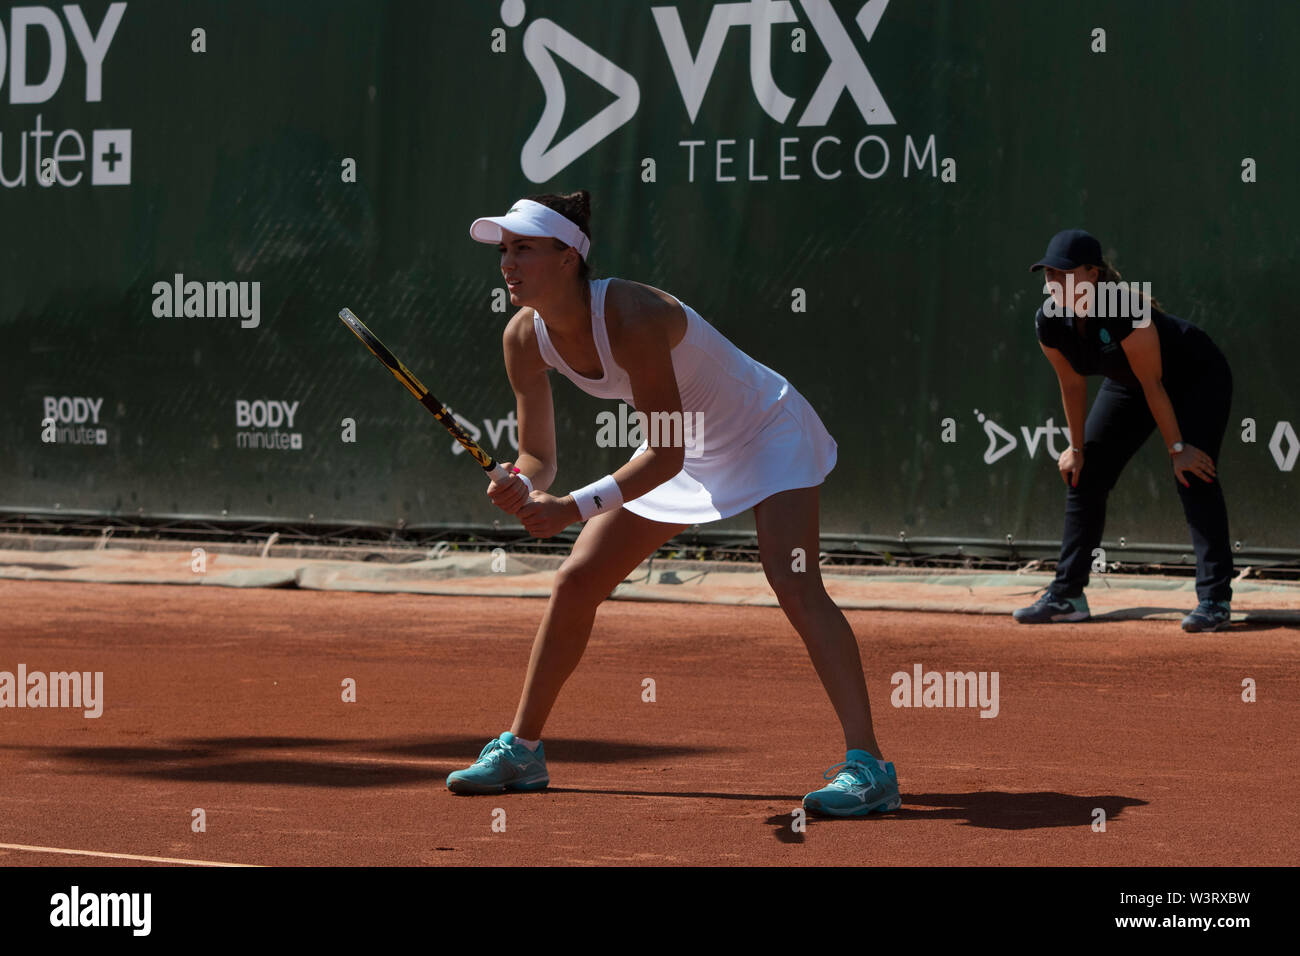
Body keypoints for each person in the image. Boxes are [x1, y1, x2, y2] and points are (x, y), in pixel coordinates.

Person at [444, 190, 901, 817]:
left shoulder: (632, 316)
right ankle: (522, 750)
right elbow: (537, 456)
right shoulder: (523, 337)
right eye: (504, 250)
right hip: (689, 446)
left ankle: (869, 767)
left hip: (766, 431)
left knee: (793, 583)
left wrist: (569, 508)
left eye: (524, 248)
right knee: (577, 580)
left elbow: (665, 457)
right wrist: (521, 484)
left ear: (568, 256)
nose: (508, 263)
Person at [1014, 229, 1235, 632]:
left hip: (1195, 376)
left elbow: (1155, 385)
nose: (1054, 283)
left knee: (1192, 472)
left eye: (1064, 274)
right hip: (1131, 382)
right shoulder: (1049, 321)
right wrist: (1076, 448)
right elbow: (1072, 384)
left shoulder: (1124, 310)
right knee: (1086, 472)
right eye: (1048, 275)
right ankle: (1067, 596)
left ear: (1093, 274)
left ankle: (1215, 599)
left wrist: (1178, 448)